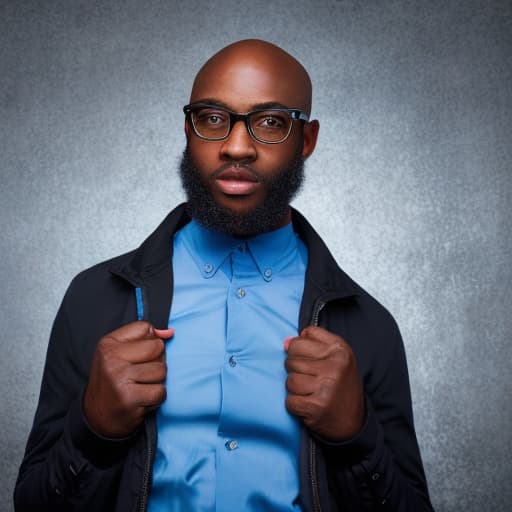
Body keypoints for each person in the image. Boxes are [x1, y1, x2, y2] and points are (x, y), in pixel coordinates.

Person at [15, 39, 434, 511]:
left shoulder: (368, 327)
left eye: (270, 122)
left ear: (308, 140)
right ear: (189, 130)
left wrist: (356, 439)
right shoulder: (93, 299)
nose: (237, 146)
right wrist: (92, 430)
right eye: (213, 118)